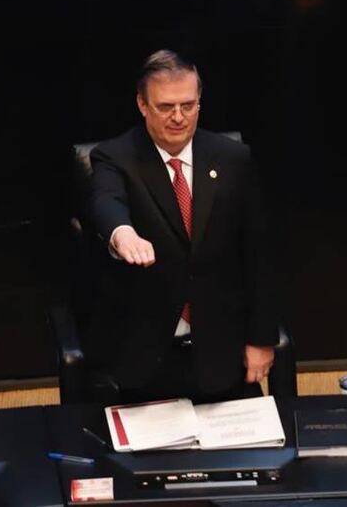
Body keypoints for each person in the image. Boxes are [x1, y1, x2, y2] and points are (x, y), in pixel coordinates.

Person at [86, 50, 277, 404]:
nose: (178, 117)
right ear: (142, 104)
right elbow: (105, 201)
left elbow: (258, 254)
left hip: (222, 352)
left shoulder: (233, 158)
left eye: (188, 105)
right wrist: (121, 233)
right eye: (165, 107)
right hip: (145, 356)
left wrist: (262, 339)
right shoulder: (115, 157)